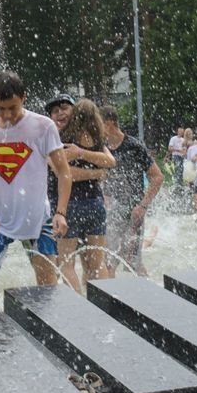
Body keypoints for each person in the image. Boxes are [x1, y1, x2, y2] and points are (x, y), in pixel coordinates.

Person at [0, 71, 72, 298]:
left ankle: (44, 329)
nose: (7, 115)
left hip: (38, 218)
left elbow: (63, 171)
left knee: (47, 287)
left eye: (12, 108)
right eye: (1, 108)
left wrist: (61, 212)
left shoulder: (43, 126)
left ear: (23, 97)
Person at [56, 99, 114, 294]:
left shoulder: (66, 137)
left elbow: (64, 173)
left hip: (71, 204)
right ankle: (104, 306)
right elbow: (109, 162)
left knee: (66, 263)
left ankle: (78, 308)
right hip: (96, 203)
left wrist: (79, 153)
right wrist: (97, 173)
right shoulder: (98, 140)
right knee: (97, 264)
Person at [101, 106, 163, 277]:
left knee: (132, 262)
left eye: (99, 124)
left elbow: (157, 177)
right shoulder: (102, 148)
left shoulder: (134, 146)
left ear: (109, 123)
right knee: (108, 260)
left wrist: (142, 207)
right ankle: (109, 300)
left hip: (134, 213)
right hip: (111, 212)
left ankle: (147, 295)